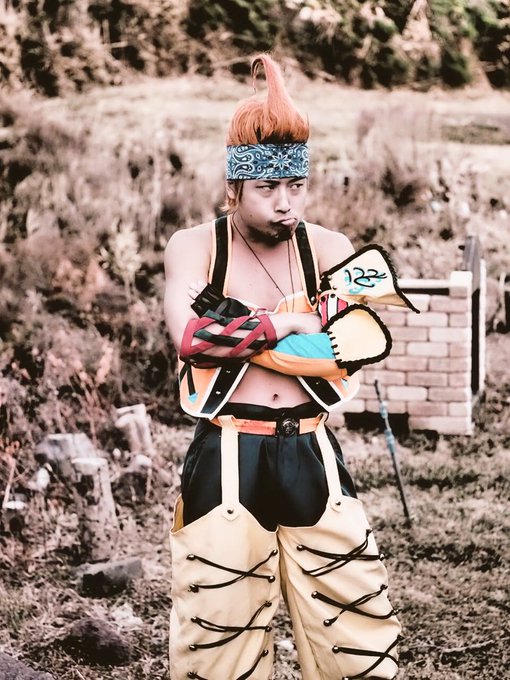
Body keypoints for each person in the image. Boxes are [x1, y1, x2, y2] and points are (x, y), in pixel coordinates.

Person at [164, 54, 416, 680]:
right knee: (218, 640)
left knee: (355, 635)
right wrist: (290, 324)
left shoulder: (329, 249)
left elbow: (354, 346)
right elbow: (191, 340)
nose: (286, 203)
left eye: (296, 186)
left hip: (311, 450)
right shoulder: (194, 246)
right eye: (268, 189)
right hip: (227, 454)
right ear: (234, 187)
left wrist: (244, 331)